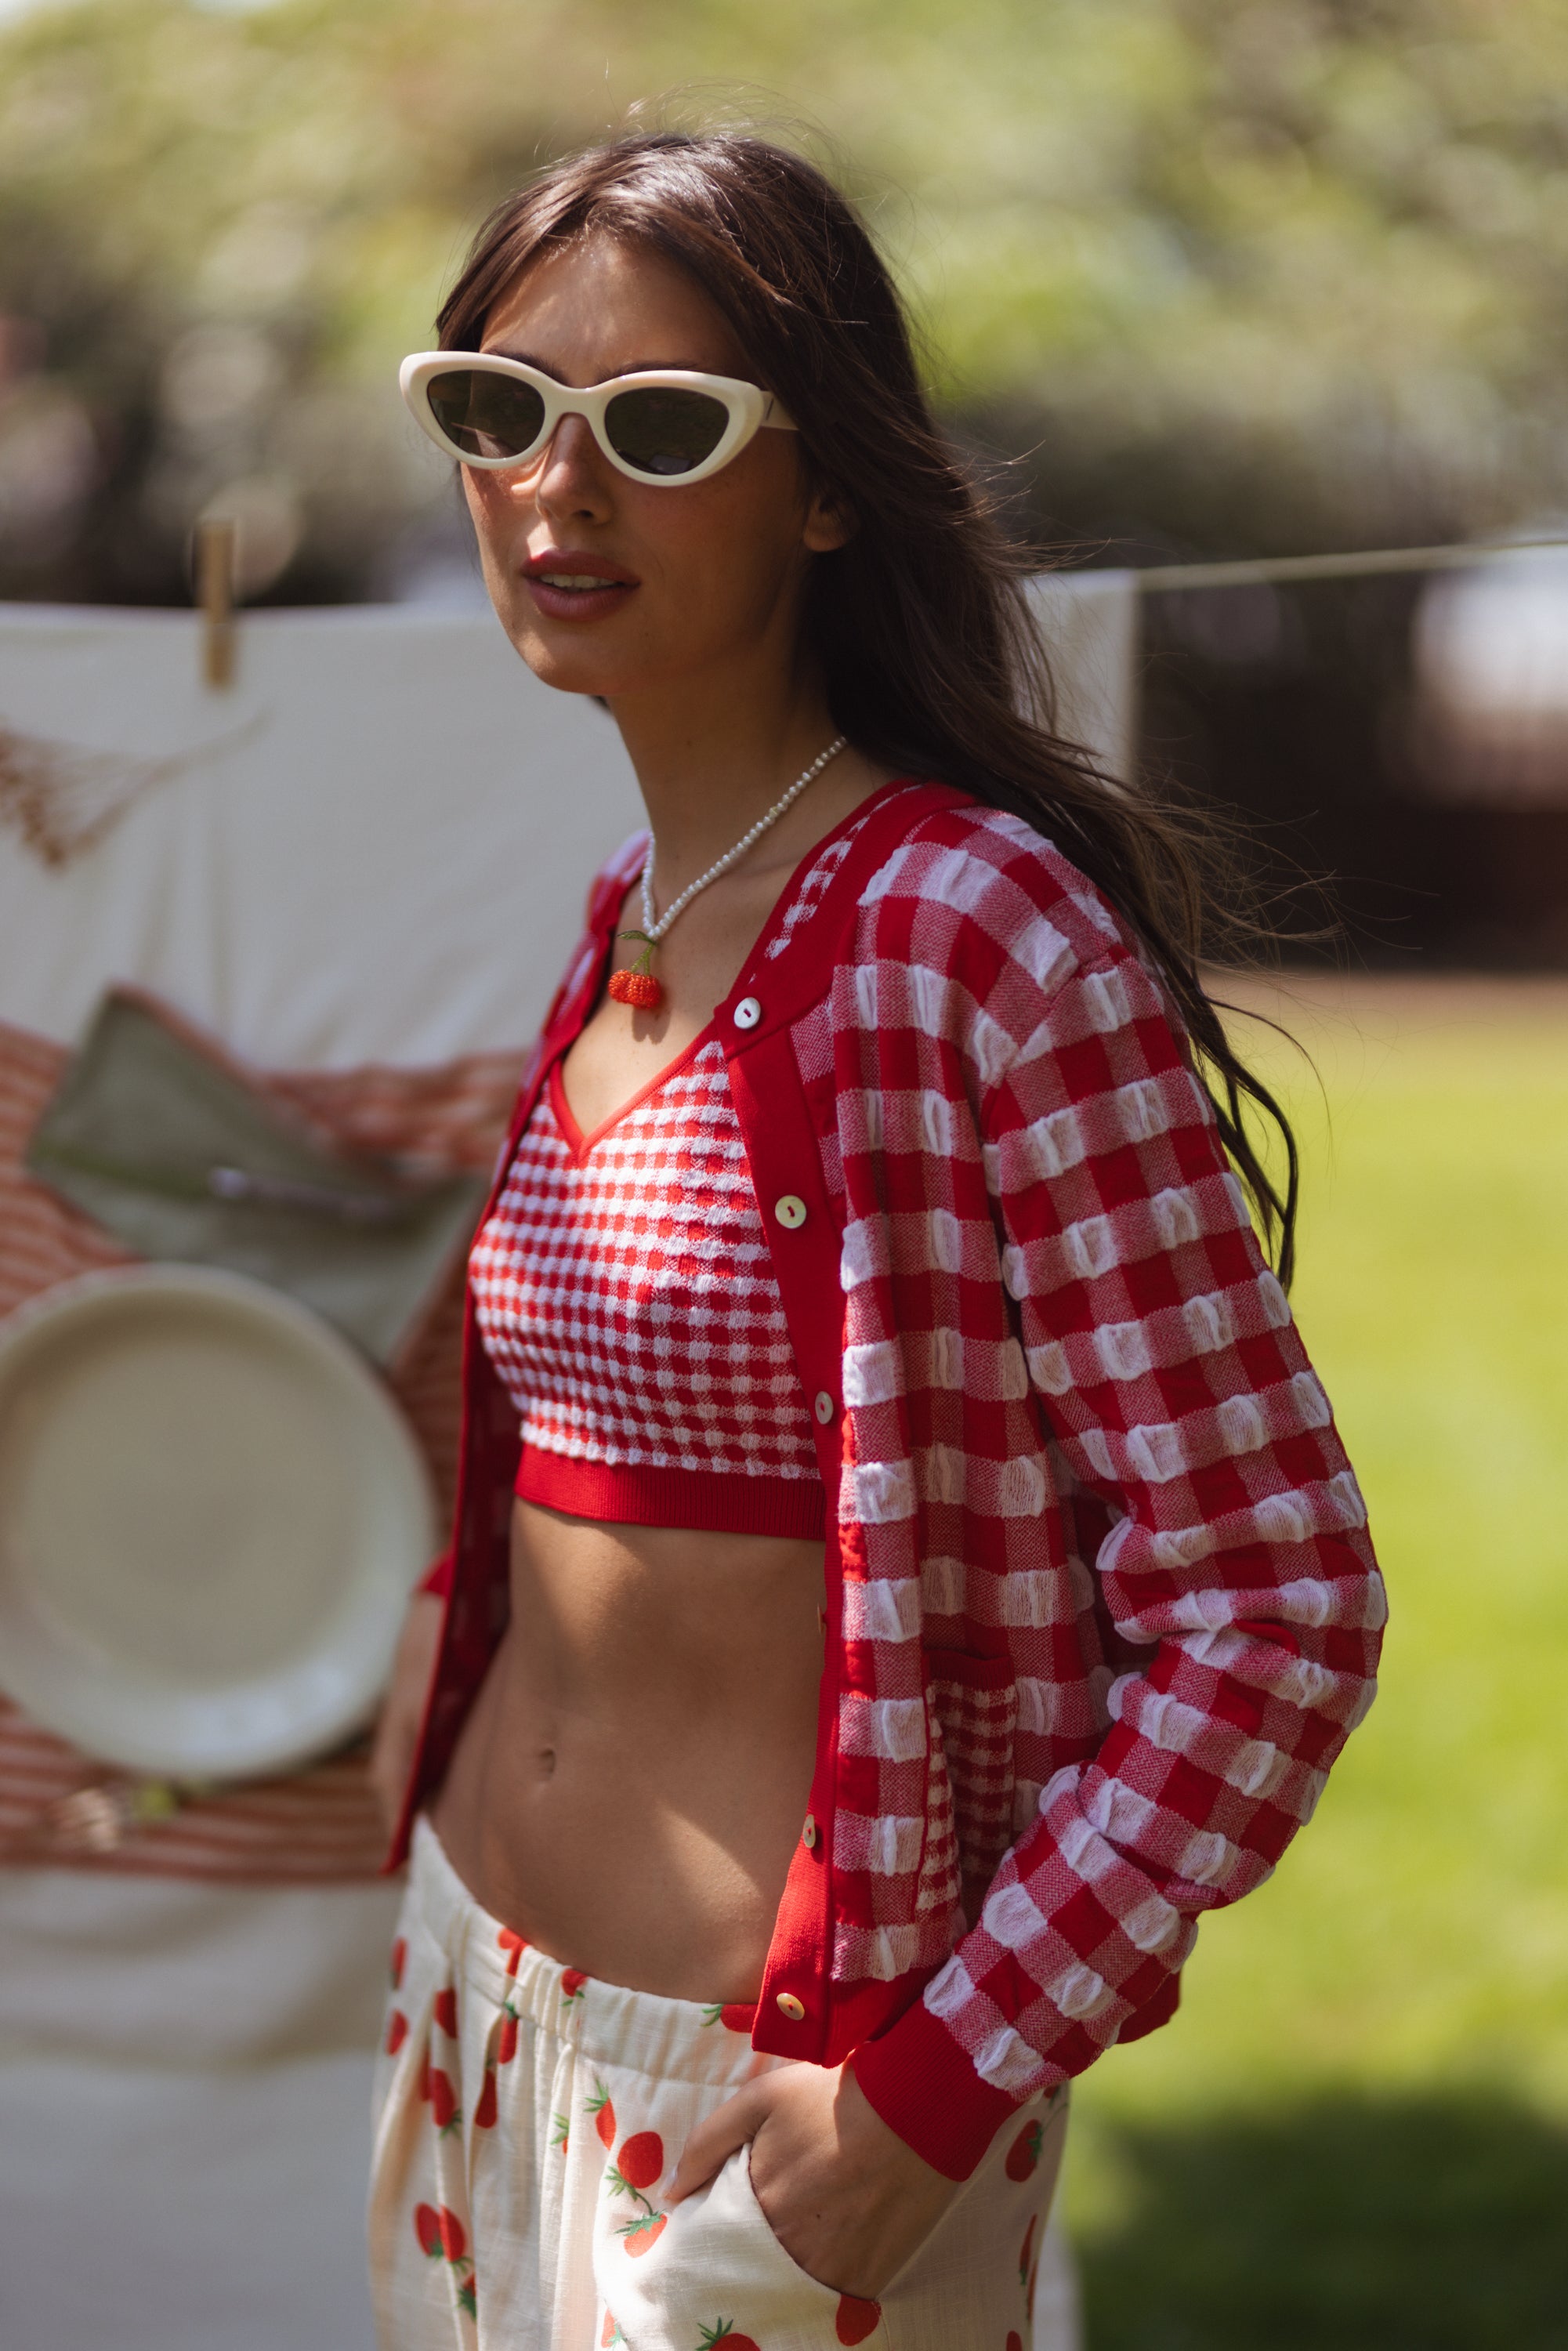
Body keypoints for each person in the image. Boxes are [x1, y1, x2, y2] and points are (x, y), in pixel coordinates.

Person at [367, 129, 1385, 2351]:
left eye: (656, 426)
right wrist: (444, 1678)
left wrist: (929, 2096)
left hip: (764, 2122)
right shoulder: (626, 914)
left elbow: (1271, 1605)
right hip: (477, 2010)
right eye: (499, 407)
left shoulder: (968, 929)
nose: (554, 487)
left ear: (826, 486)